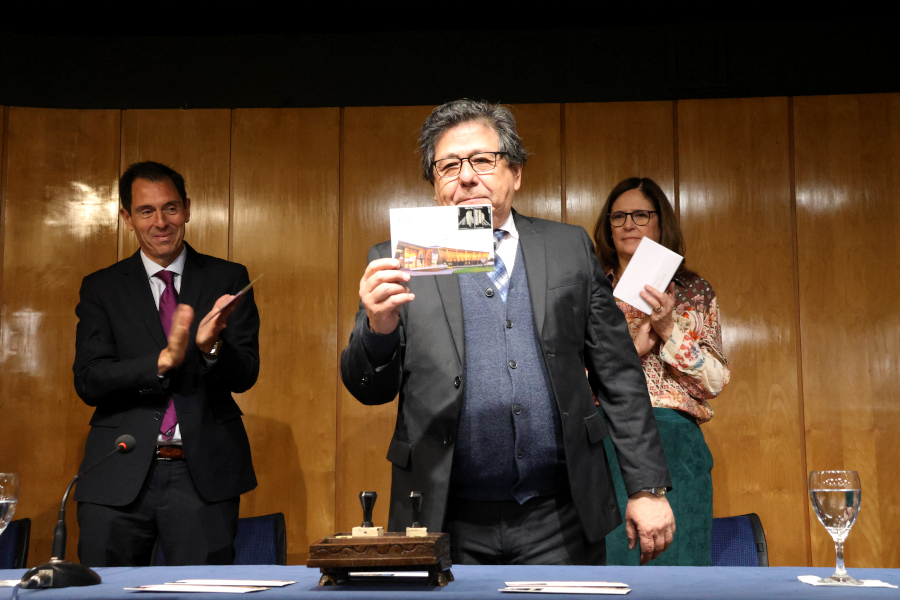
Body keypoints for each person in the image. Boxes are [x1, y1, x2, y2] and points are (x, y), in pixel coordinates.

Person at [341, 100, 674, 566]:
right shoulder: (400, 258)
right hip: (442, 516)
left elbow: (618, 375)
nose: (466, 176)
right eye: (449, 165)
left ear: (515, 172)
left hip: (559, 517)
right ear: (435, 184)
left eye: (482, 160)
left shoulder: (567, 248)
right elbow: (368, 388)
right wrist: (378, 328)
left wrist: (647, 486)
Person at [73, 161, 260, 567]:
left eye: (171, 208)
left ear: (188, 208)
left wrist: (212, 350)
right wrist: (160, 362)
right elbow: (89, 379)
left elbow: (246, 373)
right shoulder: (102, 287)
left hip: (203, 476)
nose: (161, 222)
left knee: (203, 596)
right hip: (117, 474)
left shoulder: (227, 278)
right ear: (127, 217)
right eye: (146, 211)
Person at [593, 177, 730, 566]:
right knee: (610, 571)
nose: (628, 224)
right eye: (618, 216)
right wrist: (629, 353)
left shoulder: (692, 291)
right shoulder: (587, 291)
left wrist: (670, 328)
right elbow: (565, 382)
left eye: (640, 215)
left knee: (680, 572)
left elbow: (715, 382)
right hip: (605, 441)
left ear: (660, 223)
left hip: (677, 445)